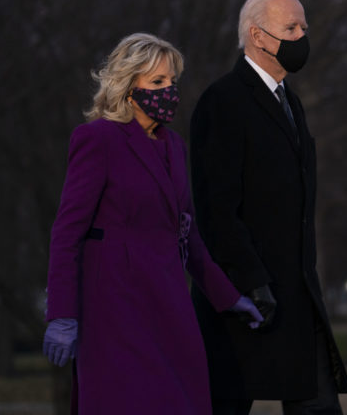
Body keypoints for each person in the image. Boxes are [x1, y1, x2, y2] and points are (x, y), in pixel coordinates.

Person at [42, 33, 263, 414]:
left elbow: (187, 236)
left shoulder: (174, 146)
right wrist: (62, 314)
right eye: (157, 81)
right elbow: (67, 233)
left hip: (169, 303)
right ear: (128, 88)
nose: (169, 90)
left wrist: (229, 297)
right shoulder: (97, 139)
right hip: (114, 308)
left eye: (172, 81)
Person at [189, 0, 347, 415]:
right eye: (291, 28)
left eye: (304, 28)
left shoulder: (290, 103)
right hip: (245, 300)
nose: (302, 37)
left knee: (319, 406)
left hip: (297, 296)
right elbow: (215, 208)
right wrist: (251, 281)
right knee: (225, 405)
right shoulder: (223, 101)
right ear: (258, 36)